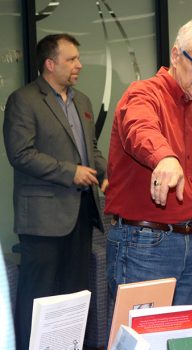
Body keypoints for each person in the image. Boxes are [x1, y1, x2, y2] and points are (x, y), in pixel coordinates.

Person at [105, 19, 192, 315]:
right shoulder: (143, 94)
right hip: (143, 244)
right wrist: (164, 157)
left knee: (178, 338)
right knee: (142, 343)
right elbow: (140, 128)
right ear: (176, 56)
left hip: (184, 243)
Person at [3, 33, 108, 350]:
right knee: (39, 294)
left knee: (74, 294)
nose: (79, 65)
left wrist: (106, 173)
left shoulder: (84, 102)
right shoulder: (24, 100)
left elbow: (90, 150)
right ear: (50, 64)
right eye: (71, 59)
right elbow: (20, 154)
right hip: (42, 219)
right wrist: (70, 172)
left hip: (81, 215)